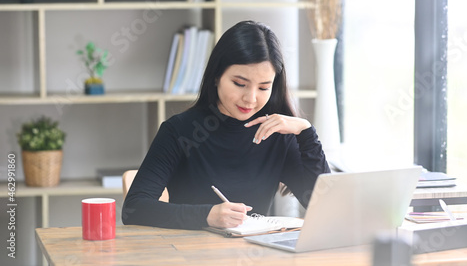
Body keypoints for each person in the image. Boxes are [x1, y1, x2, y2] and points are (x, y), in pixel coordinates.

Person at [122, 20, 330, 230]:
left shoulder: (276, 134)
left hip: (254, 256)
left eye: (263, 87)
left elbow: (323, 207)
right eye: (240, 84)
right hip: (190, 256)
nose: (251, 98)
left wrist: (306, 133)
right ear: (216, 77)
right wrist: (207, 215)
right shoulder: (179, 131)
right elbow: (135, 208)